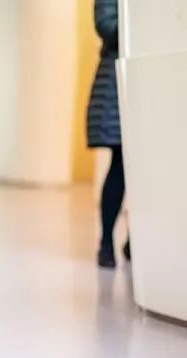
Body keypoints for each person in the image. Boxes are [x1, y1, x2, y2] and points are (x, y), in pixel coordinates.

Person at [87, 0, 129, 269]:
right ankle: (106, 242)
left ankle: (137, 241)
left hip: (149, 82)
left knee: (150, 174)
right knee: (121, 164)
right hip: (117, 82)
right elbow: (106, 26)